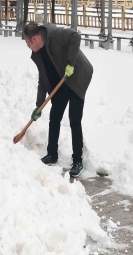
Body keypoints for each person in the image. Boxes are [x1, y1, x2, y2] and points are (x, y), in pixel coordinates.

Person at [22, 22, 93, 177]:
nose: (28, 46)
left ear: (34, 39)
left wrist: (71, 64)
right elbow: (43, 78)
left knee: (74, 119)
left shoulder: (54, 34)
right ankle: (52, 155)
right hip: (62, 81)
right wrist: (39, 105)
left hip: (77, 76)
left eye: (27, 43)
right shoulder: (39, 53)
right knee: (54, 117)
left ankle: (78, 161)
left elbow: (75, 36)